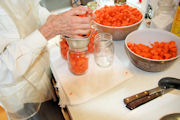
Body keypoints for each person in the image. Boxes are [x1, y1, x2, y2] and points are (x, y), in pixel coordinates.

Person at [0, 0, 92, 119]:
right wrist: (51, 29)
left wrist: (58, 20)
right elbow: (3, 70)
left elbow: (33, 9)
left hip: (43, 69)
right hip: (23, 94)